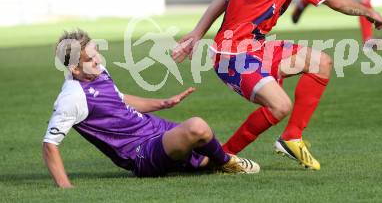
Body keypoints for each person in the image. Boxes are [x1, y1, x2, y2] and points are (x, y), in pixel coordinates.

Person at [172, 0, 382, 170]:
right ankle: (220, 159)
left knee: (321, 63)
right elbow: (335, 1)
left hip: (256, 47)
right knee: (280, 106)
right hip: (233, 55)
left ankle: (291, 137)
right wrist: (368, 11)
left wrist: (198, 32)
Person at [43, 30, 259, 188]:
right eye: (90, 59)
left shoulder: (98, 70)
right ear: (74, 68)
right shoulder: (72, 97)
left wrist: (163, 103)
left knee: (209, 146)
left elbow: (120, 99)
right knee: (198, 127)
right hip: (141, 153)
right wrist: (66, 188)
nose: (98, 60)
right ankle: (227, 164)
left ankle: (207, 162)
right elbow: (50, 145)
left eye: (96, 53)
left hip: (155, 128)